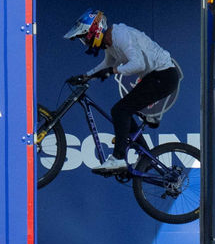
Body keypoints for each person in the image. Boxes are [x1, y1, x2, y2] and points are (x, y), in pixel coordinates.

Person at [64, 9, 180, 173]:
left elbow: (138, 64)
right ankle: (146, 156)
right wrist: (86, 76)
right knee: (123, 110)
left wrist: (113, 71)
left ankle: (118, 158)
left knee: (120, 110)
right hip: (155, 76)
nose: (86, 42)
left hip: (164, 76)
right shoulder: (110, 42)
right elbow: (107, 64)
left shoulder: (120, 35)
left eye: (86, 37)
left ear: (95, 31)